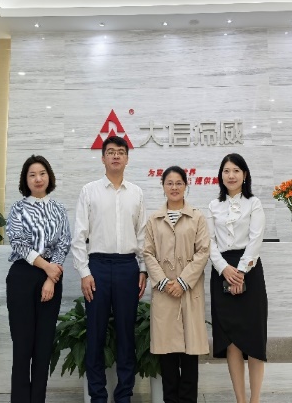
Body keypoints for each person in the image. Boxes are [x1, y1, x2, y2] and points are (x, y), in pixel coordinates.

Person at [72, 136, 148, 403]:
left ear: (127, 158)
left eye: (121, 152)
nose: (116, 156)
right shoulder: (89, 191)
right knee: (95, 334)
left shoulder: (137, 193)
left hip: (128, 267)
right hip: (98, 268)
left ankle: (124, 395)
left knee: (127, 335)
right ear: (103, 157)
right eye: (111, 152)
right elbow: (79, 236)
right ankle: (98, 396)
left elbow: (142, 236)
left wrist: (142, 270)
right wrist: (84, 273)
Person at [5, 155, 71, 403]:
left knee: (43, 347)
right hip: (23, 275)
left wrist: (51, 278)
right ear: (26, 180)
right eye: (32, 175)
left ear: (49, 177)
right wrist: (46, 267)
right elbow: (18, 242)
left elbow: (64, 243)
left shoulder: (59, 209)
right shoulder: (18, 208)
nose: (38, 179)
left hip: (52, 277)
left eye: (42, 173)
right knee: (23, 346)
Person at [143, 166, 210, 403]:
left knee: (190, 357)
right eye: (169, 183)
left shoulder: (197, 217)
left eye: (179, 183)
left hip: (189, 293)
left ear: (186, 186)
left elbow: (203, 252)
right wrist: (164, 282)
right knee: (168, 359)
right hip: (165, 295)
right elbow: (148, 253)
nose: (174, 187)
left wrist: (183, 281)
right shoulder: (154, 219)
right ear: (163, 186)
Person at [208, 153, 267, 403]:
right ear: (221, 176)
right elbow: (209, 243)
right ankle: (240, 399)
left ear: (244, 175)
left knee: (253, 339)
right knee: (231, 340)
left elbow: (256, 240)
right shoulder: (213, 206)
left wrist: (240, 272)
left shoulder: (254, 203)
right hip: (222, 270)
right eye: (226, 171)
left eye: (236, 170)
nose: (231, 175)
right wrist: (224, 269)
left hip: (249, 271)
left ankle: (255, 400)